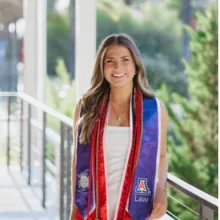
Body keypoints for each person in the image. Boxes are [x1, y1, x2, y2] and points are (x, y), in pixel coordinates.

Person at [69, 33, 168, 220]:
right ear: (102, 67)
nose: (118, 67)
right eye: (110, 61)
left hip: (138, 210)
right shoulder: (86, 107)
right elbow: (77, 162)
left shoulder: (154, 110)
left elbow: (161, 156)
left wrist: (162, 190)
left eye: (125, 60)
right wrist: (74, 209)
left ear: (136, 66)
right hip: (93, 210)